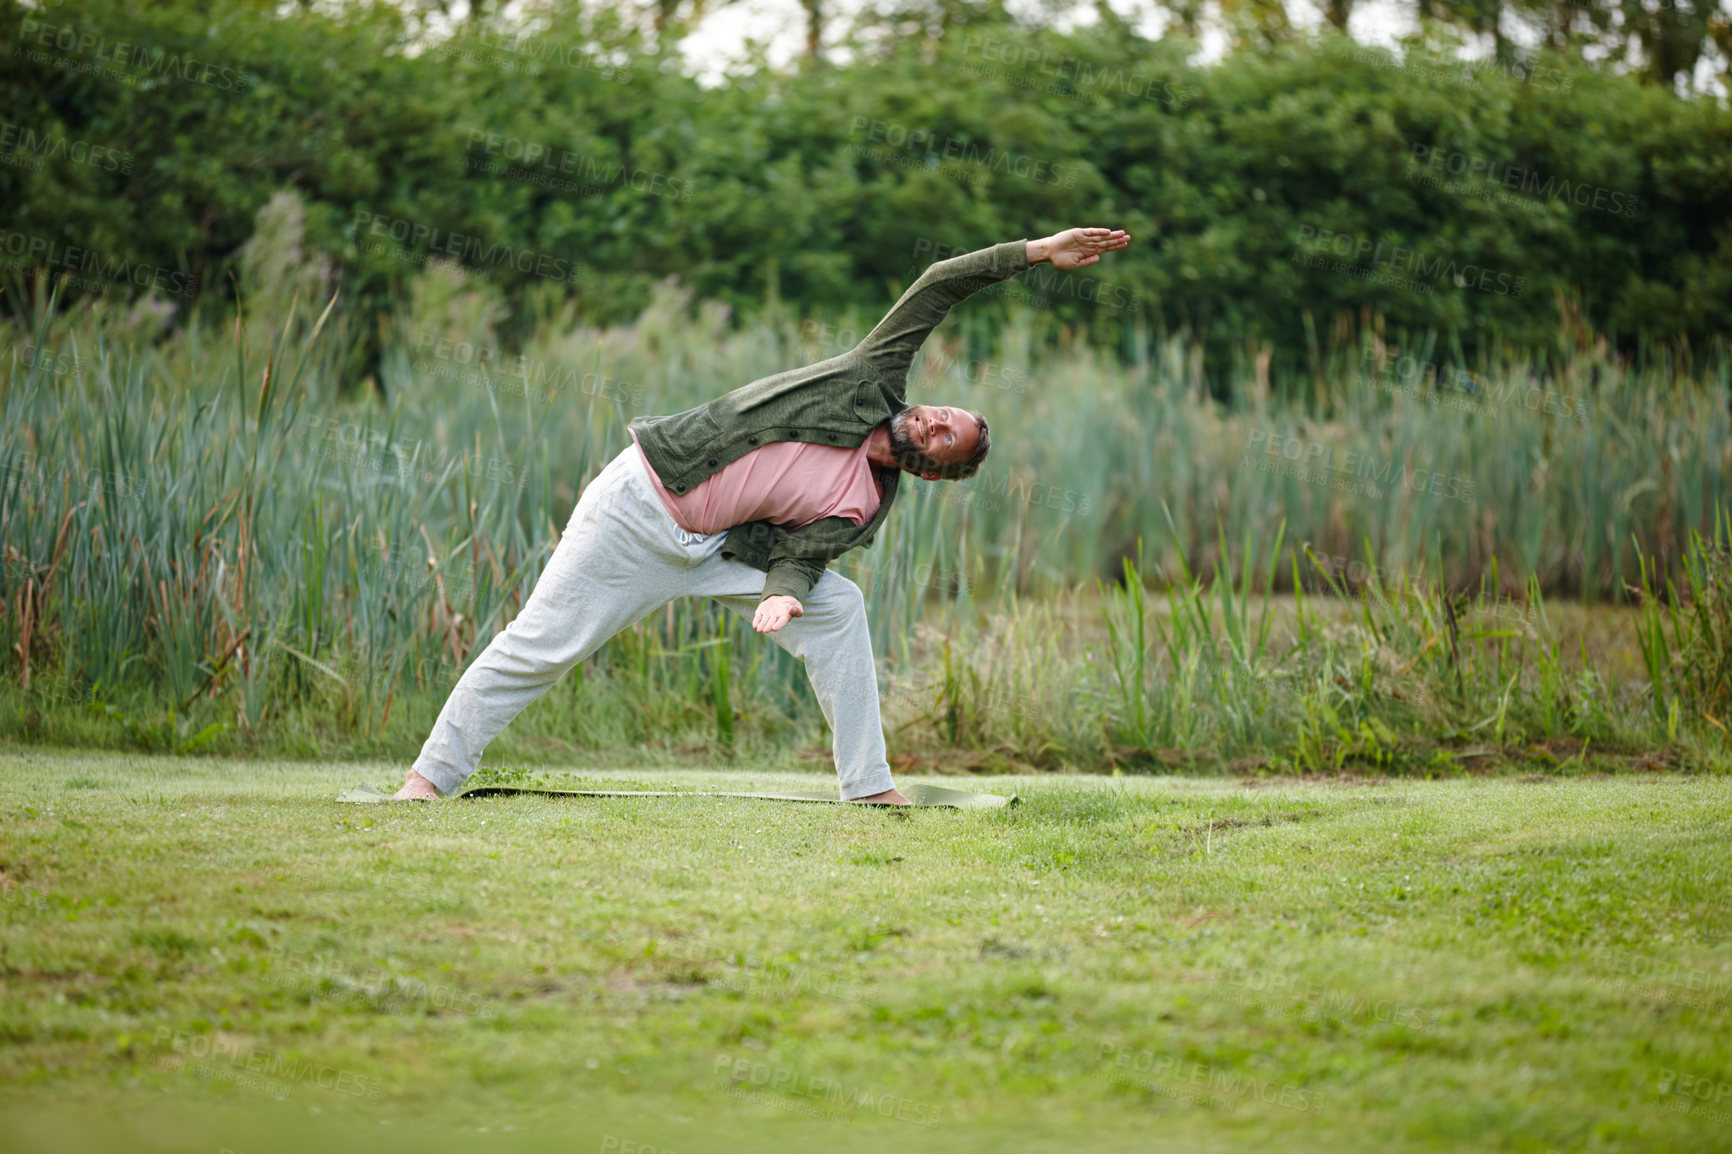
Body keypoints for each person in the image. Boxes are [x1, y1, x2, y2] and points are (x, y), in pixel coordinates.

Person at [395, 227, 1130, 805]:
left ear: (936, 470)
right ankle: (427, 780)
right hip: (639, 507)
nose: (934, 423)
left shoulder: (865, 505)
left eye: (946, 439)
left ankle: (868, 785)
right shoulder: (869, 378)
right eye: (943, 413)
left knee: (837, 606)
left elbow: (802, 556)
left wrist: (784, 593)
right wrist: (1036, 253)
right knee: (541, 647)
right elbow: (939, 286)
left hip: (713, 549)